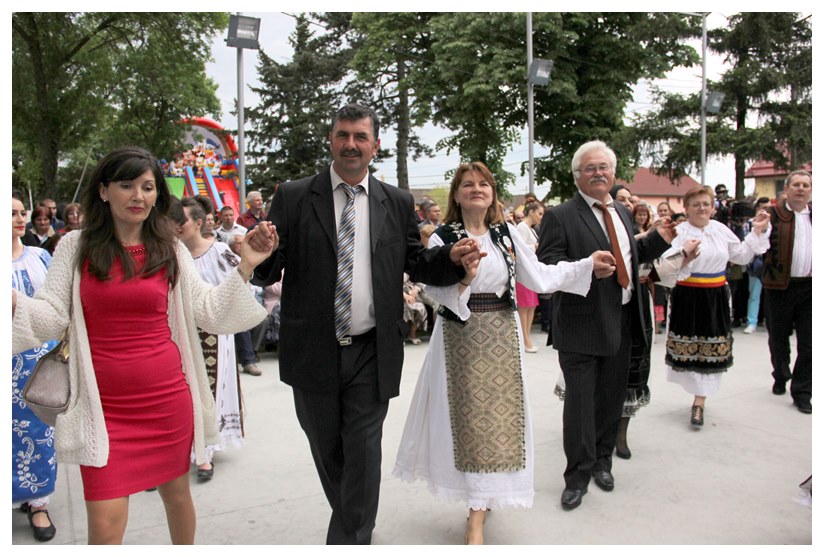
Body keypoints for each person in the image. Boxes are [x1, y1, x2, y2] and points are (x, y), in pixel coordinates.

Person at [11, 146, 273, 544]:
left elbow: (210, 311)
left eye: (148, 187)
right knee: (104, 528)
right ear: (103, 191)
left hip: (167, 402)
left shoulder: (170, 249)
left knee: (178, 498)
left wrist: (248, 264)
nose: (138, 196)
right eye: (126, 185)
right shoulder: (74, 247)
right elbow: (51, 315)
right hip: (102, 411)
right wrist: (14, 302)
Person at [250, 104, 479, 544]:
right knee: (328, 451)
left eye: (360, 136)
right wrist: (261, 251)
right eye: (343, 135)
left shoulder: (396, 201)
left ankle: (350, 540)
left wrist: (449, 259)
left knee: (363, 451)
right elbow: (269, 268)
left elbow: (415, 261)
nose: (351, 144)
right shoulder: (295, 196)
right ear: (331, 140)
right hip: (312, 349)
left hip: (372, 350)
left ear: (375, 145)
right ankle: (354, 525)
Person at [393, 161, 612, 544]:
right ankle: (476, 511)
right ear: (457, 194)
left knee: (498, 424)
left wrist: (586, 265)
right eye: (467, 184)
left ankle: (481, 503)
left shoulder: (506, 235)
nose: (476, 189)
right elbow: (436, 292)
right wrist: (464, 275)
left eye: (483, 183)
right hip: (459, 339)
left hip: (501, 338)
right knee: (467, 426)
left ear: (492, 192)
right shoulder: (443, 237)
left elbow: (539, 275)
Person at [537, 140, 675, 511]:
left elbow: (629, 256)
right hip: (581, 325)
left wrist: (658, 240)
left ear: (613, 173)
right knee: (580, 406)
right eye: (590, 168)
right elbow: (548, 267)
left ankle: (602, 462)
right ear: (577, 176)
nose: (598, 173)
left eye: (604, 167)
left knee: (611, 400)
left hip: (624, 320)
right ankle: (577, 477)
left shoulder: (622, 212)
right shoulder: (560, 216)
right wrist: (586, 268)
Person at [663, 186, 770, 427]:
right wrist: (685, 258)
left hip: (715, 295)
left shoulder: (721, 230)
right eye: (696, 204)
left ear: (712, 207)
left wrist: (756, 233)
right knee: (690, 347)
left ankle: (699, 402)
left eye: (706, 203)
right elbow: (667, 265)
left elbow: (741, 256)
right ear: (686, 208)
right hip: (688, 294)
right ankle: (696, 395)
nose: (702, 208)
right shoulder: (679, 232)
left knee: (711, 348)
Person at [175, 195, 246, 482]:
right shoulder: (171, 255)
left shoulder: (218, 251)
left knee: (210, 390)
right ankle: (180, 449)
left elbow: (242, 282)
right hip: (179, 333)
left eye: (181, 220)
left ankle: (205, 451)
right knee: (181, 392)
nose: (176, 225)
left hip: (213, 334)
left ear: (198, 222)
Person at [12, 196, 59, 542]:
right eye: (10, 213)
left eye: (21, 213)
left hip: (36, 360)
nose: (19, 218)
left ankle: (38, 503)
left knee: (39, 432)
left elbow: (55, 305)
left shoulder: (39, 257)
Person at [761, 171, 812, 413]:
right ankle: (781, 373)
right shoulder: (772, 215)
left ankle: (802, 392)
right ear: (787, 189)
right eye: (797, 185)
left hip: (810, 288)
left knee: (810, 343)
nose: (801, 189)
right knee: (778, 337)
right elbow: (759, 245)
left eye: (806, 185)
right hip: (779, 286)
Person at [515, 200, 544, 352]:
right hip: (523, 271)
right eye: (539, 213)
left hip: (531, 270)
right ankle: (524, 339)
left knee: (531, 305)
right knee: (524, 306)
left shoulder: (530, 229)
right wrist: (535, 246)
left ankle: (527, 338)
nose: (541, 217)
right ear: (531, 212)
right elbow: (518, 248)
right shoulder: (521, 227)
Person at [743, 197, 771, 334]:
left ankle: (771, 321)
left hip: (773, 263)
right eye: (763, 208)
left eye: (768, 208)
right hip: (756, 263)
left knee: (774, 295)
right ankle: (752, 322)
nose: (765, 211)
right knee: (754, 294)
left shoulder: (775, 224)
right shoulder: (749, 224)